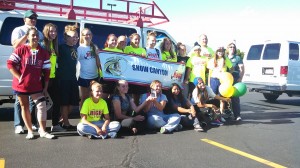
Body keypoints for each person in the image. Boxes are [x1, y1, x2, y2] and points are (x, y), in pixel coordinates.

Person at [7, 27, 55, 139]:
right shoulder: (21, 49)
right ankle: (30, 131)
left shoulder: (43, 52)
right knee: (25, 107)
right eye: (33, 35)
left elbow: (47, 71)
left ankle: (43, 131)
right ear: (27, 37)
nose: (35, 37)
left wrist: (45, 87)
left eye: (37, 35)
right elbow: (10, 63)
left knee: (42, 105)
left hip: (36, 86)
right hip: (21, 86)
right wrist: (19, 77)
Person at [11, 10, 43, 134]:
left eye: (35, 18)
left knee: (32, 99)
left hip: (34, 67)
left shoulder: (39, 32)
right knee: (20, 100)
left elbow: (39, 48)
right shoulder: (18, 30)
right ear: (24, 19)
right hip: (21, 68)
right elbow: (16, 46)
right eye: (30, 18)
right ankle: (18, 124)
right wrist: (27, 34)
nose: (33, 20)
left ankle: (31, 123)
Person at [40, 23, 65, 132]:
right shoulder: (42, 45)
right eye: (51, 31)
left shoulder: (54, 45)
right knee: (41, 103)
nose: (53, 33)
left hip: (53, 77)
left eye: (55, 31)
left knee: (56, 101)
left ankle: (55, 125)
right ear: (46, 32)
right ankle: (38, 126)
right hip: (43, 78)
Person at [56, 24, 79, 130]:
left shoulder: (75, 48)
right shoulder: (60, 48)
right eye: (73, 36)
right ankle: (66, 123)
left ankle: (62, 120)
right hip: (63, 79)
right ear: (66, 37)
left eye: (76, 36)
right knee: (64, 103)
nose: (75, 38)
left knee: (72, 103)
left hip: (73, 79)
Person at [77, 28, 100, 110]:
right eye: (85, 34)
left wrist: (97, 55)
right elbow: (75, 61)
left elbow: (98, 63)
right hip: (84, 77)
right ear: (82, 36)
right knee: (84, 97)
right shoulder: (80, 49)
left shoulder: (94, 47)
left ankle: (91, 113)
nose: (88, 36)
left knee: (94, 97)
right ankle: (82, 115)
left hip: (95, 76)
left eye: (89, 34)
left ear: (92, 36)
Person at [207, 47, 232, 117]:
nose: (220, 53)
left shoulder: (226, 59)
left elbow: (231, 68)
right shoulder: (212, 60)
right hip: (214, 79)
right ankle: (211, 112)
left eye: (222, 51)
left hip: (223, 80)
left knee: (222, 97)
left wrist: (228, 74)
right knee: (213, 96)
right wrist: (209, 83)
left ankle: (221, 113)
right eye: (219, 51)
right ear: (216, 52)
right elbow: (210, 72)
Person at [227, 43, 244, 121]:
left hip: (235, 80)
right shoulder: (225, 57)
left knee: (235, 98)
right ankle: (227, 113)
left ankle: (237, 115)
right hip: (226, 81)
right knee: (226, 97)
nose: (232, 48)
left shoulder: (237, 58)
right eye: (230, 47)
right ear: (228, 48)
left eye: (234, 47)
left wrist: (240, 77)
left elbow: (242, 69)